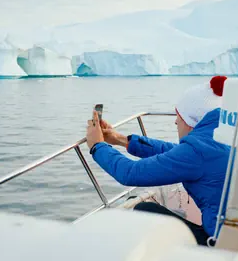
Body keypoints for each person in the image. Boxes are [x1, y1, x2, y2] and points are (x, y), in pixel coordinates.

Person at [85, 76, 230, 246]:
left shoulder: (198, 151)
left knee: (143, 211)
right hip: (236, 235)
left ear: (191, 122)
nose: (175, 121)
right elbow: (177, 154)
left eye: (179, 116)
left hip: (220, 244)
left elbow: (130, 173)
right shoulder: (224, 135)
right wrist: (120, 139)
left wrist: (97, 146)